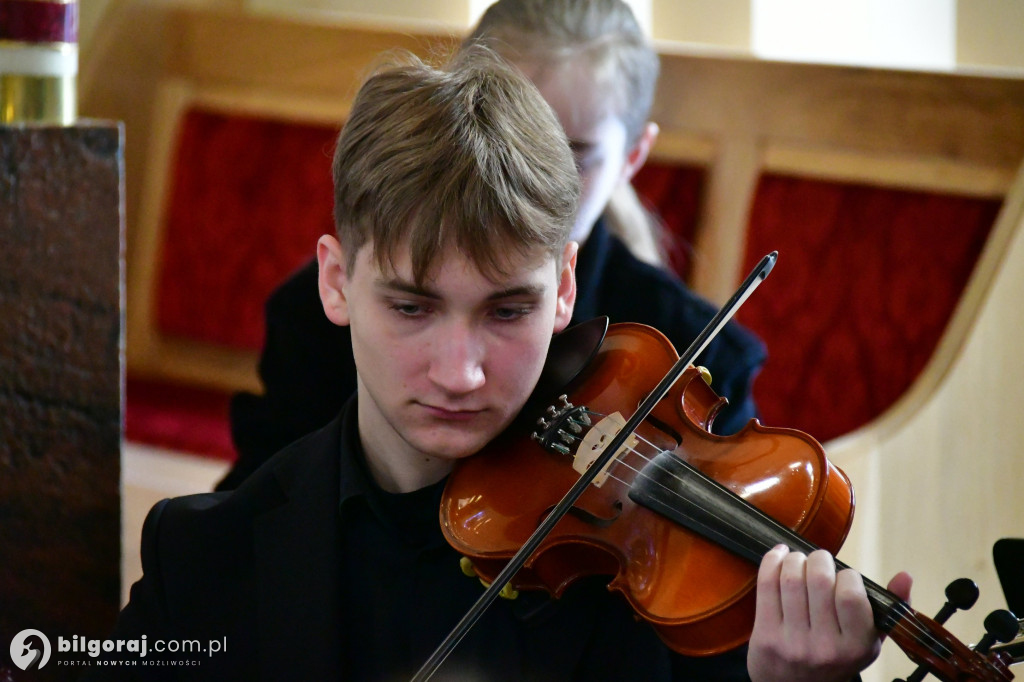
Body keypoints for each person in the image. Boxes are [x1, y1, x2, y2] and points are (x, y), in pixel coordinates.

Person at [97, 48, 912, 681]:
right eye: (412, 307)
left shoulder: (663, 587)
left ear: (563, 290)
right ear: (336, 281)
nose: (461, 373)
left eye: (507, 310)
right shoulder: (202, 556)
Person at [218, 0, 766, 491]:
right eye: (412, 307)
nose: (532, 179)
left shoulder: (699, 355)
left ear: (632, 157)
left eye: (572, 151)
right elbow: (262, 508)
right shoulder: (323, 315)